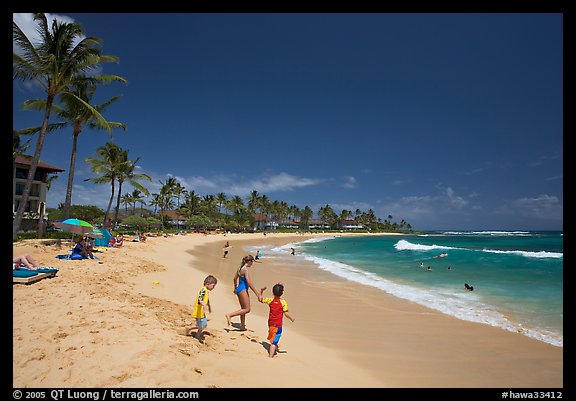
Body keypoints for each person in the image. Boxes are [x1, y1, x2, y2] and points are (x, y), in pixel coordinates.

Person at [225, 255, 262, 330]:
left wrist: (235, 288)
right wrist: (256, 293)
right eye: (252, 262)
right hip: (243, 289)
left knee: (243, 309)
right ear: (249, 262)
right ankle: (230, 315)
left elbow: (234, 279)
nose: (252, 264)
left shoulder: (240, 268)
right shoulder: (245, 269)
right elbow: (249, 282)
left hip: (239, 288)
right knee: (247, 309)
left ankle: (242, 326)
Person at [259, 283, 295, 358]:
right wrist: (291, 318)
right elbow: (286, 314)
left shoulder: (270, 300)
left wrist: (261, 291)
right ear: (282, 293)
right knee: (274, 343)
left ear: (273, 292)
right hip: (278, 325)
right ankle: (270, 356)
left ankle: (275, 346)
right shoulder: (283, 302)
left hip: (270, 323)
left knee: (273, 336)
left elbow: (260, 299)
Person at [185, 275, 218, 342]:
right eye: (213, 286)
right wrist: (204, 305)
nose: (213, 288)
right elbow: (200, 299)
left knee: (203, 324)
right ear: (208, 284)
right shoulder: (203, 290)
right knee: (203, 325)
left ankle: (197, 334)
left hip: (201, 311)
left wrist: (209, 306)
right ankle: (190, 328)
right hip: (199, 311)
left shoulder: (206, 291)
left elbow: (206, 299)